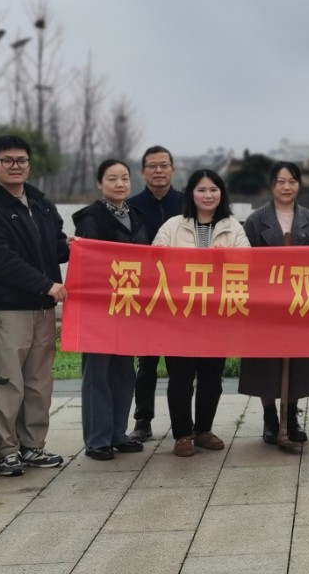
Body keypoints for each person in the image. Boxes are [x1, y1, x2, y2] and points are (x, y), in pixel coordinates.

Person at [0, 135, 70, 477]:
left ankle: (32, 446)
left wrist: (81, 247)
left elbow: (56, 246)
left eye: (21, 160)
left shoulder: (40, 203)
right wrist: (46, 284)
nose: (15, 166)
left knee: (39, 381)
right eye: (7, 160)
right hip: (8, 311)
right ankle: (4, 450)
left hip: (42, 309)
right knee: (6, 382)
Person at [153, 169, 250, 457]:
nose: (208, 195)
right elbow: (153, 261)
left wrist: (226, 258)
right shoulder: (173, 226)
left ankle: (204, 430)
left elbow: (248, 263)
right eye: (201, 190)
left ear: (222, 193)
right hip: (179, 317)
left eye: (213, 190)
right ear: (191, 194)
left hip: (216, 317)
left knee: (211, 378)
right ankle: (183, 434)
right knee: (180, 379)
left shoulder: (233, 227)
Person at [242, 161, 309, 446]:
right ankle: (269, 417)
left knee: (299, 360)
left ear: (299, 185)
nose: (287, 187)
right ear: (271, 185)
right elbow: (246, 262)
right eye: (281, 181)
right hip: (266, 305)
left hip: (300, 303)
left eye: (292, 181)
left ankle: (291, 415)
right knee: (265, 361)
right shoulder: (256, 220)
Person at [72, 159, 150, 460]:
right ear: (99, 183)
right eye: (112, 178)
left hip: (129, 306)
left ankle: (118, 433)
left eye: (124, 178)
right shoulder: (90, 218)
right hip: (99, 307)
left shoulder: (138, 217)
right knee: (97, 373)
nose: (120, 184)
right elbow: (88, 262)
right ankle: (97, 439)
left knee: (124, 372)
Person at [125, 145, 185, 443]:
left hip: (182, 295)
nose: (158, 171)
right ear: (142, 172)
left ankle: (183, 424)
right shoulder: (131, 206)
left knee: (180, 366)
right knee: (146, 364)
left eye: (164, 165)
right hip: (146, 295)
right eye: (152, 166)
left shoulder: (188, 203)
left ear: (172, 169)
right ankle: (143, 420)